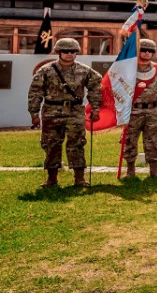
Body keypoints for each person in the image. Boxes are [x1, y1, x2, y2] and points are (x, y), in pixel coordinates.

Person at [27, 37, 103, 187]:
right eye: (65, 51)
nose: (69, 54)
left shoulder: (84, 70)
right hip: (51, 111)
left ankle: (79, 178)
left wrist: (95, 108)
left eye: (72, 51)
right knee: (51, 144)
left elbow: (96, 87)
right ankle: (52, 178)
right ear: (58, 52)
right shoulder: (46, 70)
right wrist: (34, 114)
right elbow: (35, 92)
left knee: (77, 143)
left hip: (75, 111)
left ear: (77, 53)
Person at [123, 39, 157, 178]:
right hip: (132, 111)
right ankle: (130, 169)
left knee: (153, 140)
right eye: (143, 50)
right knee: (130, 140)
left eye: (150, 51)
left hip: (153, 111)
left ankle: (154, 169)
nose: (147, 53)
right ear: (137, 51)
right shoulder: (127, 69)